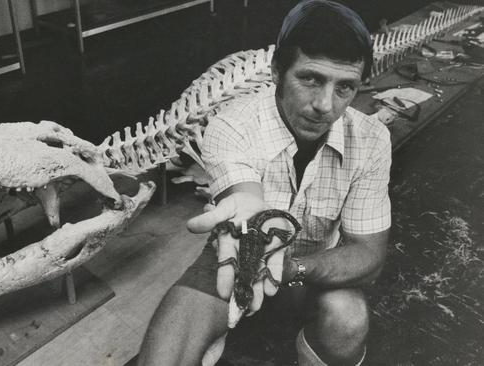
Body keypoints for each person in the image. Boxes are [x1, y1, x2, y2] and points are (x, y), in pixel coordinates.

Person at [137, 1, 391, 365]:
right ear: (276, 71)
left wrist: (291, 269)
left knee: (348, 319)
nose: (324, 105)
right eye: (310, 79)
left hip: (315, 267)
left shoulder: (371, 139)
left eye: (344, 88)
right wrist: (254, 227)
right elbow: (248, 201)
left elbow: (369, 254)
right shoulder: (231, 125)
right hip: (237, 258)